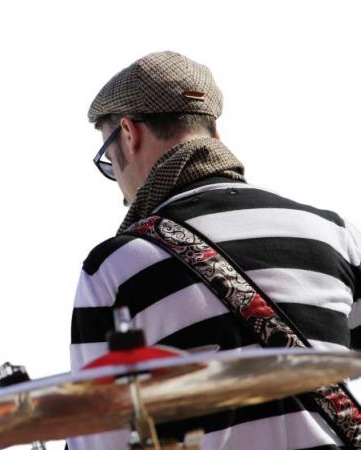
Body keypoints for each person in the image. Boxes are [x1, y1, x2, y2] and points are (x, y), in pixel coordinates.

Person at [67, 51, 361, 449]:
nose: (118, 186)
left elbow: (102, 441)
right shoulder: (333, 233)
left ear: (129, 133)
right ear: (215, 135)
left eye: (108, 161)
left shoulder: (116, 266)